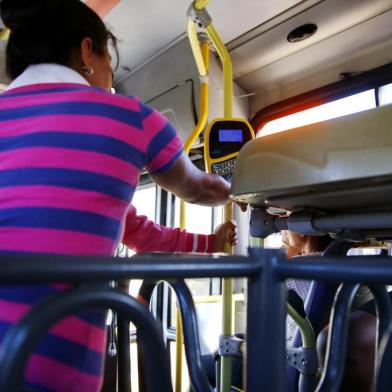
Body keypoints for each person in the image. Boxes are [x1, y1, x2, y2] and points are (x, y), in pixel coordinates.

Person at [0, 0, 232, 390]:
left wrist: (210, 241)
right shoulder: (130, 116)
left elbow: (136, 229)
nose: (110, 74)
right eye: (110, 59)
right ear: (87, 52)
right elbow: (199, 189)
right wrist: (234, 187)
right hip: (59, 367)